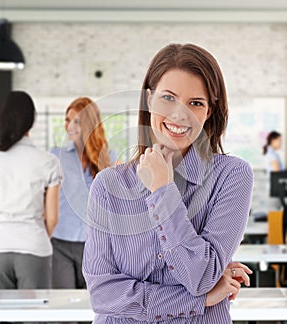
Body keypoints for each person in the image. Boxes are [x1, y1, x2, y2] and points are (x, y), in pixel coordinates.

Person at [82, 43, 254, 323]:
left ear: (208, 112)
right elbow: (102, 295)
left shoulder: (231, 176)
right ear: (149, 100)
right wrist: (200, 300)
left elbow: (199, 276)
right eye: (168, 98)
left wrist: (162, 189)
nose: (179, 115)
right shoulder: (108, 184)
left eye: (195, 103)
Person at [0, 91, 60, 289]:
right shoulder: (49, 162)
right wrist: (35, 236)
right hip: (34, 247)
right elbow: (52, 219)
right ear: (31, 121)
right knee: (34, 316)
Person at [50, 97, 117, 290]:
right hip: (60, 243)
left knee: (92, 308)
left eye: (76, 121)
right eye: (67, 119)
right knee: (64, 310)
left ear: (88, 123)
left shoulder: (109, 158)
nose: (69, 126)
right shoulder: (56, 155)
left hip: (95, 246)